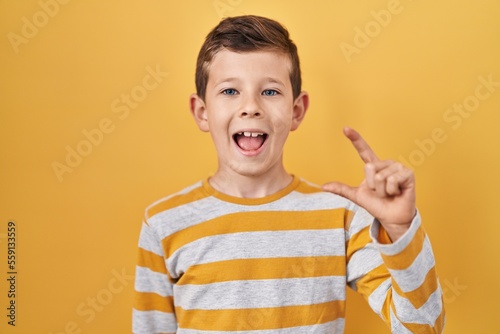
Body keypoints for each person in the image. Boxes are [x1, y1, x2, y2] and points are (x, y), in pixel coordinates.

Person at [132, 15, 445, 333]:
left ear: (296, 111)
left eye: (269, 92)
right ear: (202, 112)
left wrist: (401, 230)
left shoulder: (343, 219)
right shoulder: (163, 224)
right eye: (230, 91)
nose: (250, 106)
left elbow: (422, 328)